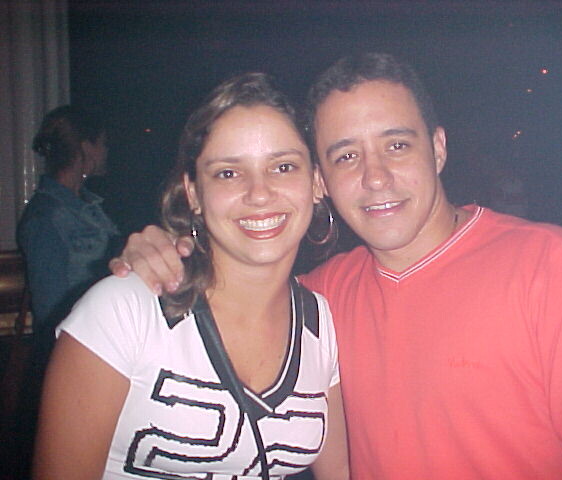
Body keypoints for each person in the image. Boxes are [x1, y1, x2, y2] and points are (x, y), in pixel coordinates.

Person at [110, 53, 562, 479]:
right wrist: (166, 251)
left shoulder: (547, 267)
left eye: (397, 145)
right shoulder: (320, 300)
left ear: (437, 149)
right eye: (346, 156)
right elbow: (227, 295)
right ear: (320, 182)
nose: (375, 177)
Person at [33, 74, 349, 479]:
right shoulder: (123, 311)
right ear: (194, 193)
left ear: (316, 182)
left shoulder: (320, 323)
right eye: (228, 173)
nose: (259, 193)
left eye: (283, 166)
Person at [10, 105, 122, 479]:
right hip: (78, 360)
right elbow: (50, 312)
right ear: (86, 148)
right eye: (102, 143)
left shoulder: (88, 208)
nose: (106, 152)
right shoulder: (47, 216)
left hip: (108, 346)